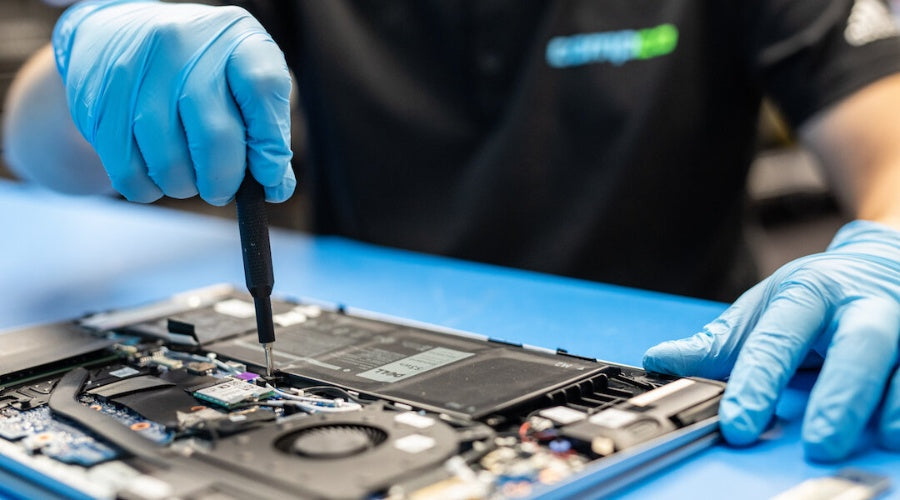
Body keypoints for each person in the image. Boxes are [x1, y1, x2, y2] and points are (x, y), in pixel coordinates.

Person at [3, 0, 899, 462]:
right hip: (352, 363)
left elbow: (887, 144)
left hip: (686, 378)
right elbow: (33, 143)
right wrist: (91, 50)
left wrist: (888, 252)